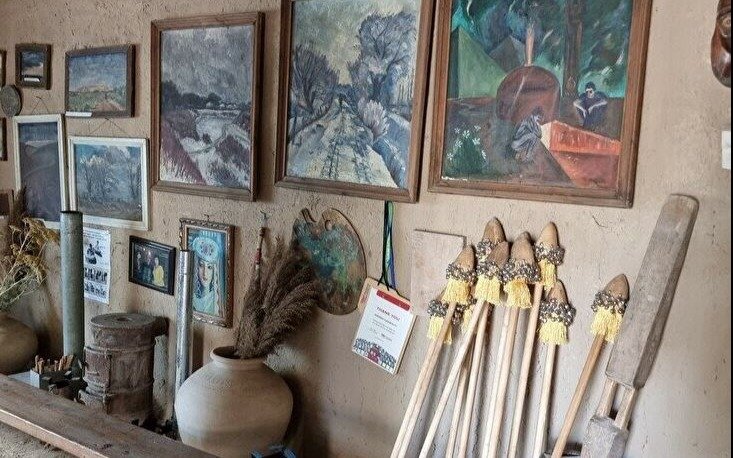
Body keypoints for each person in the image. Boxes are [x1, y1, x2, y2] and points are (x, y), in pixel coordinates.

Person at [192, 235, 221, 316]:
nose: (205, 273)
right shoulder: (192, 298)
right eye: (201, 265)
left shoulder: (216, 300)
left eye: (209, 267)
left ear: (214, 270)